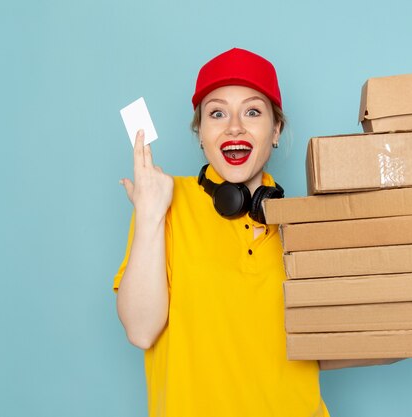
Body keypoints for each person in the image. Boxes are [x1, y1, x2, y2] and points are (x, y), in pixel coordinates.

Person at [112, 48, 331, 417]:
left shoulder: (304, 224)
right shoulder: (164, 202)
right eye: (217, 113)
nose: (234, 127)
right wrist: (149, 215)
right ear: (201, 133)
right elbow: (141, 331)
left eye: (252, 111)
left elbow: (331, 347)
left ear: (275, 130)